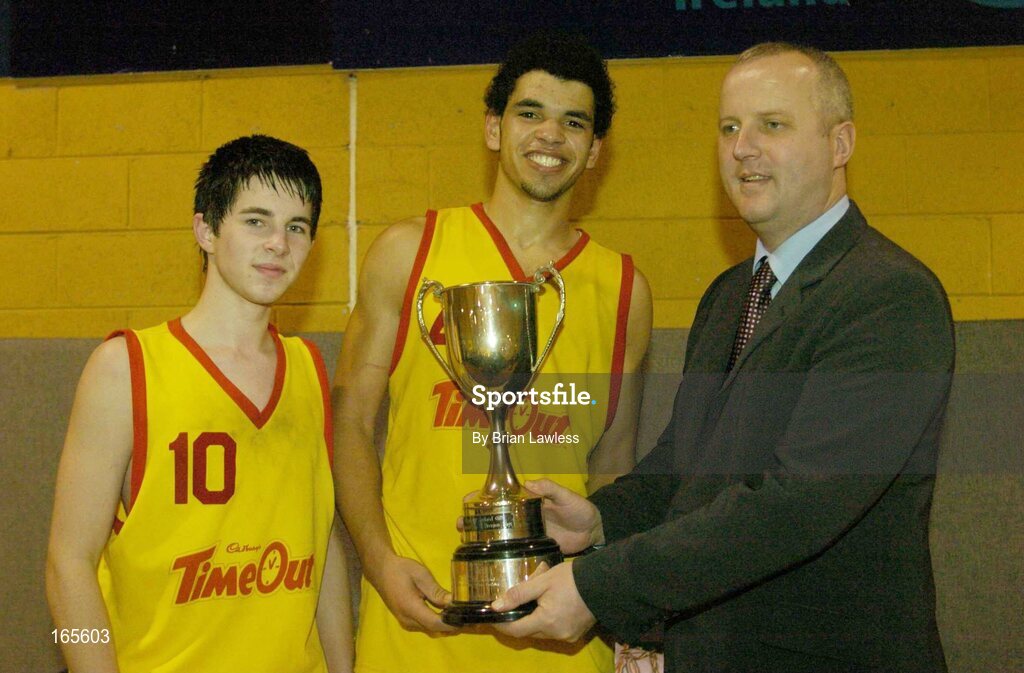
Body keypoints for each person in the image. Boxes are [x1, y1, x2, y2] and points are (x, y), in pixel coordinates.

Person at [492, 43, 955, 673]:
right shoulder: (729, 295)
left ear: (840, 144)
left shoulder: (888, 295)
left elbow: (795, 506)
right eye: (730, 127)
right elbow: (687, 465)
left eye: (773, 124)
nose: (742, 148)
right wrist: (602, 522)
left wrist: (598, 586)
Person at [333, 31, 652, 673]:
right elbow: (348, 423)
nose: (550, 136)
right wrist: (379, 563)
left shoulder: (624, 290)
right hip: (420, 629)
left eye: (574, 122)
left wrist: (606, 596)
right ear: (493, 128)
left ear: (595, 151)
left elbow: (614, 469)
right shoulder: (409, 252)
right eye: (529, 113)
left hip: (559, 641)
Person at [46, 135, 353, 673]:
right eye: (256, 221)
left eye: (296, 227)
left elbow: (321, 546)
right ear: (206, 230)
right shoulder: (126, 367)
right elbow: (67, 565)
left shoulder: (307, 369)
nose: (278, 243)